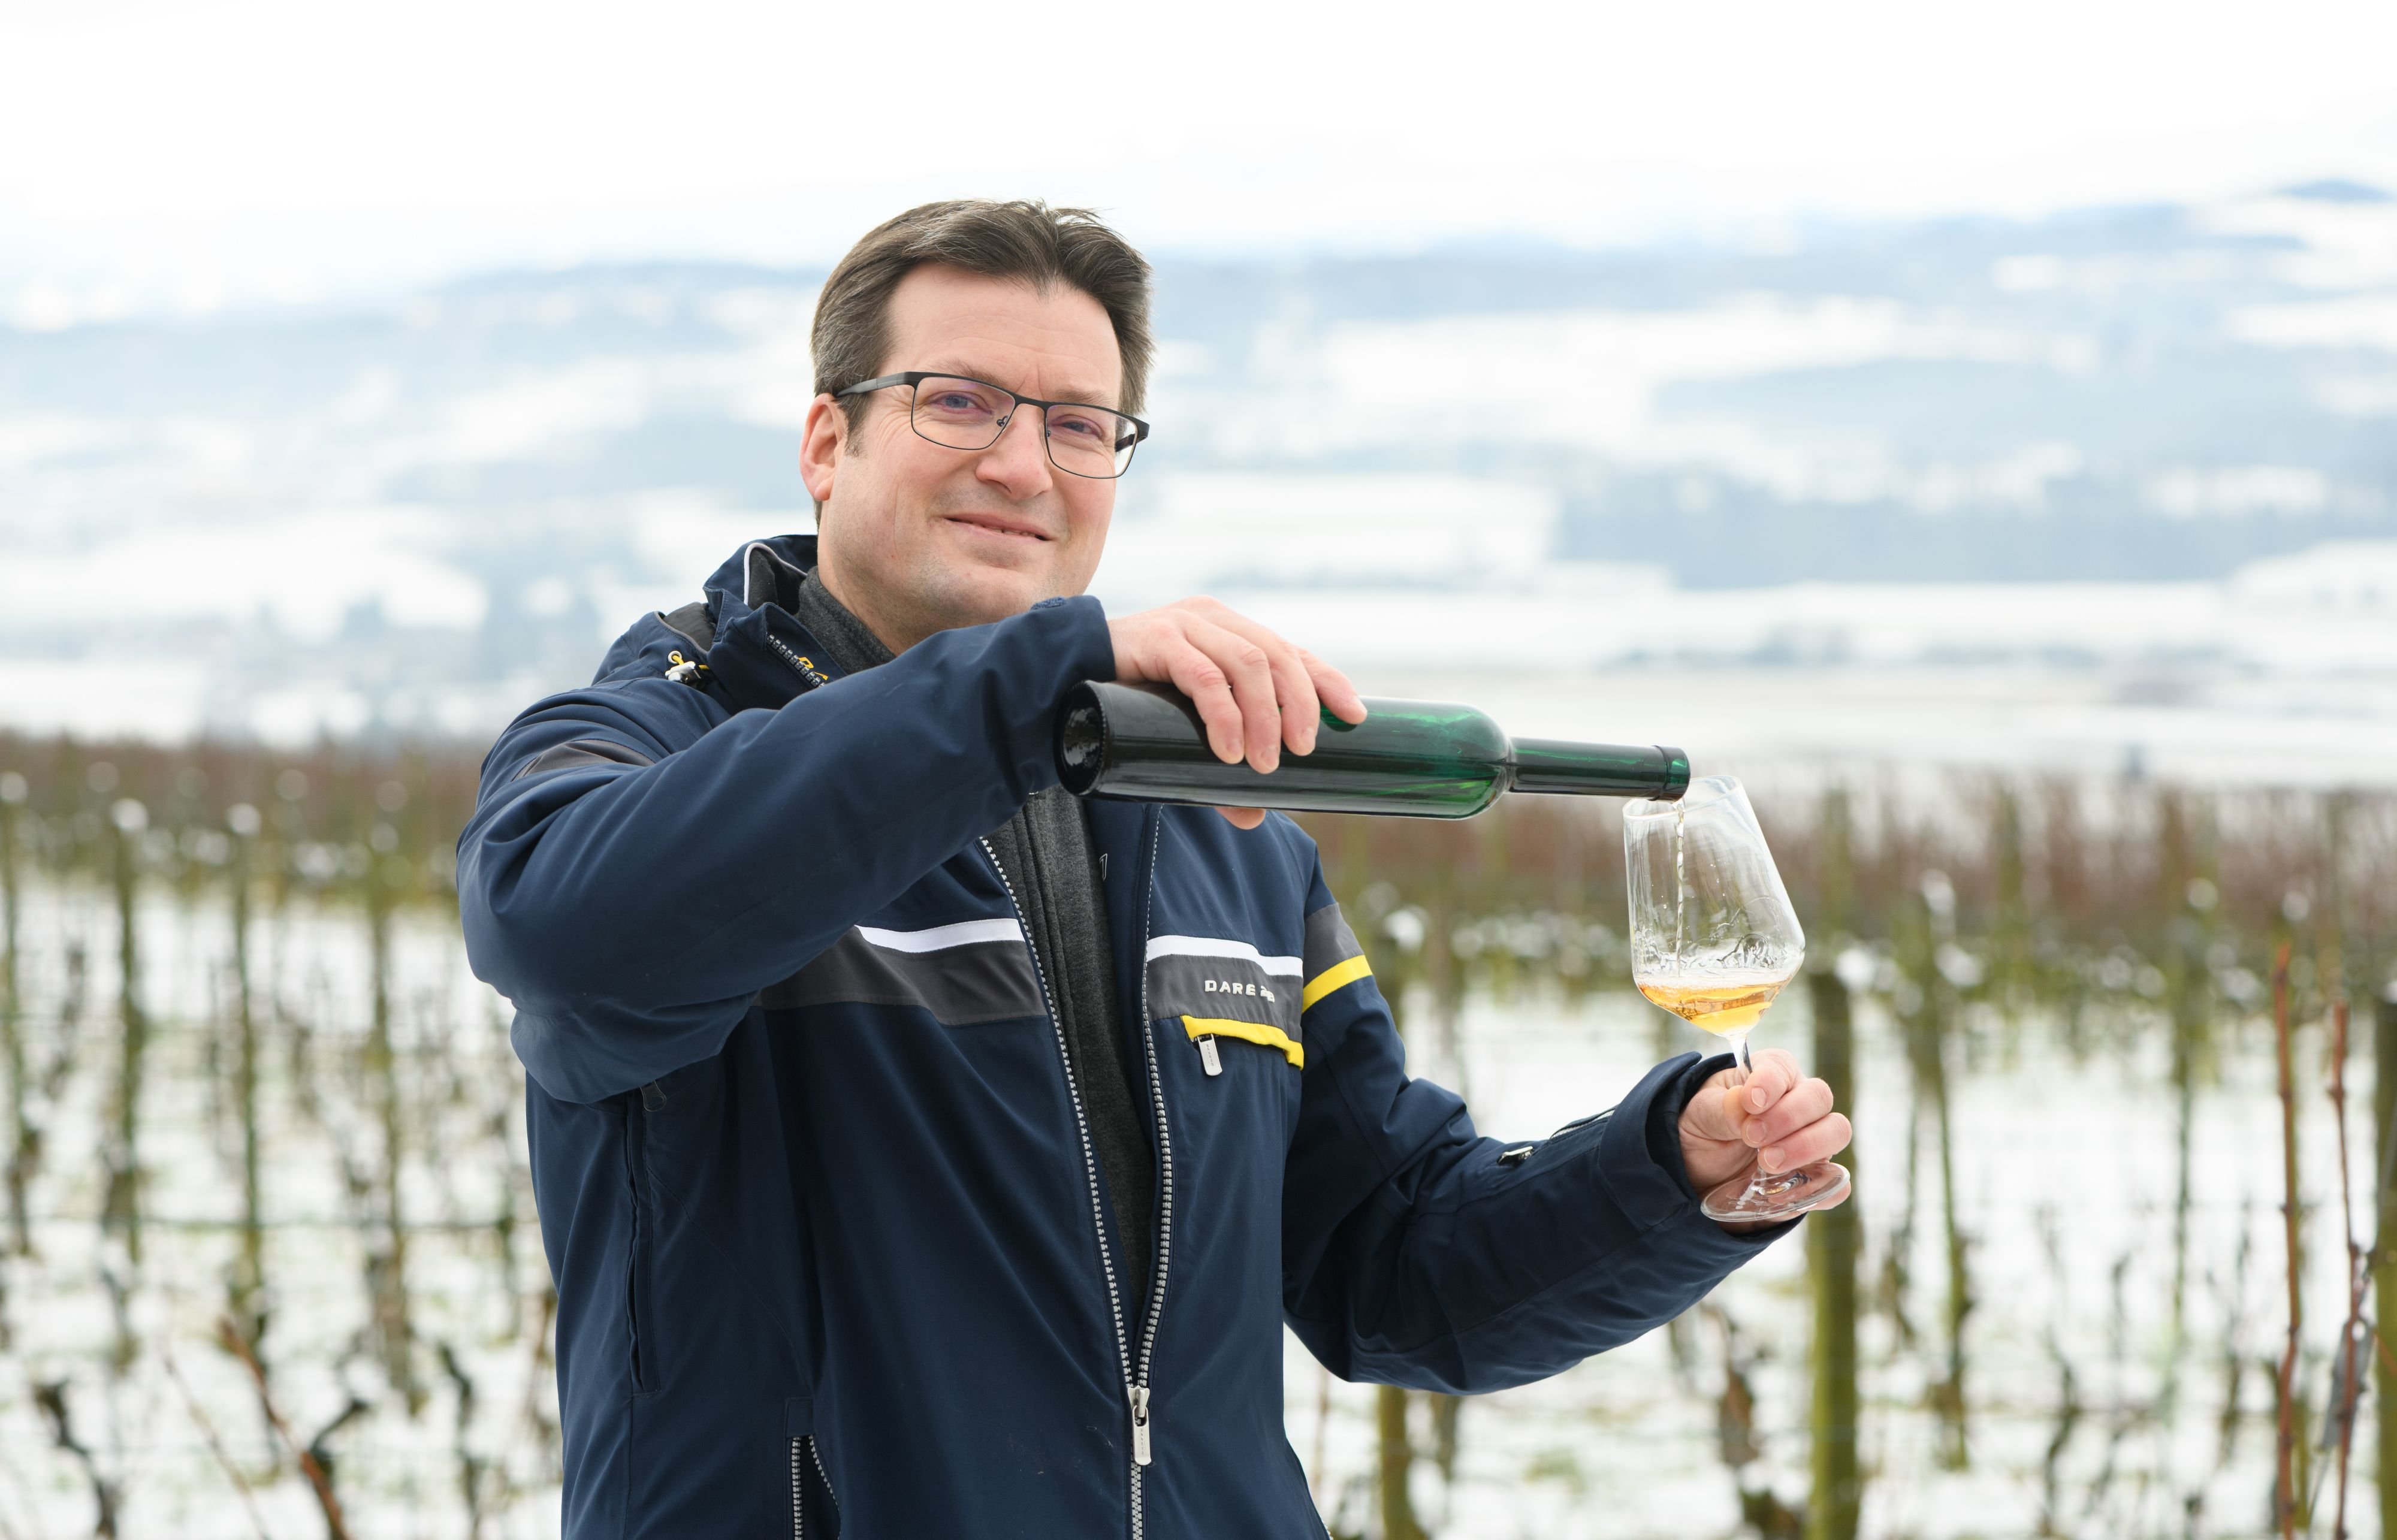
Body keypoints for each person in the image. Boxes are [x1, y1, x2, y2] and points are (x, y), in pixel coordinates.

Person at [457, 199, 1853, 1538]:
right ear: (829, 440)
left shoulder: (1218, 827)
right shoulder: (656, 736)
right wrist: (1033, 678)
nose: (1024, 464)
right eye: (960, 401)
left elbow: (1387, 1268)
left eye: (1079, 425)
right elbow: (574, 937)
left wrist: (1664, 1177)